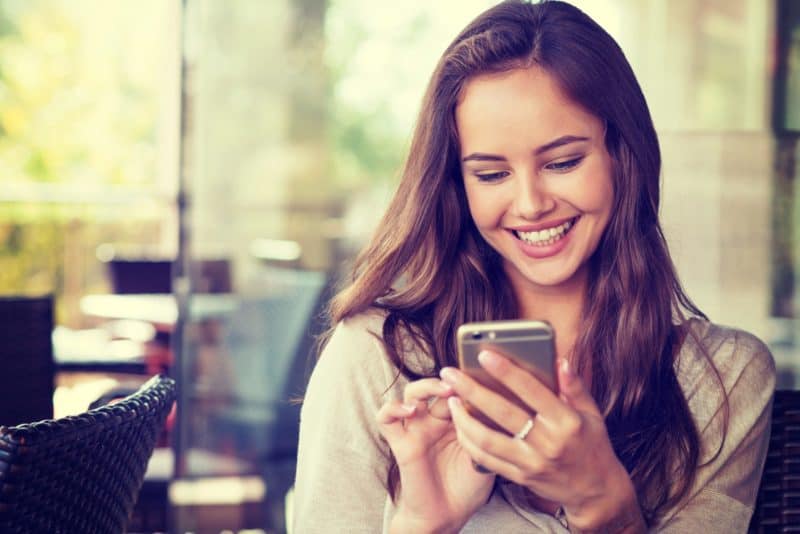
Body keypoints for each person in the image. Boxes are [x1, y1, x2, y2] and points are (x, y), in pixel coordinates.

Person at [292, 1, 776, 532]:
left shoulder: (722, 382)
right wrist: (421, 523)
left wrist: (604, 505)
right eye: (491, 174)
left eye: (563, 162)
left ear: (625, 155)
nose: (529, 204)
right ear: (458, 186)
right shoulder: (371, 359)